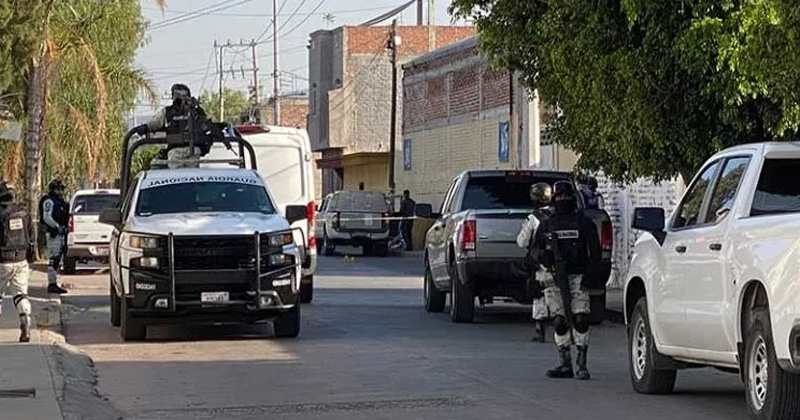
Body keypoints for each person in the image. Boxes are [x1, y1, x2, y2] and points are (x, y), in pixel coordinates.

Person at [532, 181, 600, 380]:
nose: (563, 200)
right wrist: (543, 257)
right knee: (560, 321)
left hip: (578, 276)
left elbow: (595, 252)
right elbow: (534, 250)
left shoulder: (584, 223)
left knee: (580, 319)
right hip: (555, 277)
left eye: (566, 196)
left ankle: (582, 364)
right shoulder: (547, 224)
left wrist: (591, 275)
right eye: (559, 196)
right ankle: (565, 363)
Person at [145, 83, 226, 169]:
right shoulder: (196, 111)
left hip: (177, 151)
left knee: (176, 175)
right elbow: (206, 125)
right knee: (192, 174)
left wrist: (144, 128)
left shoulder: (168, 111)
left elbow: (153, 124)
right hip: (192, 150)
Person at [516, 182, 553, 343]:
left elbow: (521, 242)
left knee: (539, 294)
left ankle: (540, 329)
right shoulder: (558, 214)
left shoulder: (534, 218)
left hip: (542, 262)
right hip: (561, 261)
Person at [0, 182, 34, 342]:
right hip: (21, 259)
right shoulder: (23, 213)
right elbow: (31, 236)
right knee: (20, 295)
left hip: (2, 260)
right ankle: (25, 323)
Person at [39, 179, 69, 294]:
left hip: (59, 233)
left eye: (61, 189)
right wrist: (57, 226)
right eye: (59, 189)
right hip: (52, 233)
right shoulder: (49, 201)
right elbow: (47, 217)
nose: (60, 191)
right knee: (54, 258)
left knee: (58, 259)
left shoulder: (60, 201)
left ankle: (54, 282)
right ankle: (52, 284)